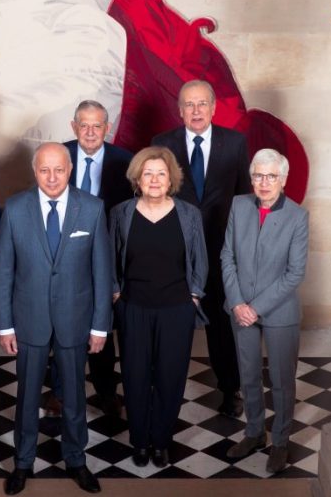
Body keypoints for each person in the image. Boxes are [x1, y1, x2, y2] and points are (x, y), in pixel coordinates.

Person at [0, 143, 112, 495]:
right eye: (44, 170)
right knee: (27, 396)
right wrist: (5, 324)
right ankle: (23, 462)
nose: (52, 177)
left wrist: (99, 325)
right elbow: (4, 271)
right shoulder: (15, 208)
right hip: (28, 319)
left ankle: (76, 459)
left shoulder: (91, 209)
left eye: (59, 169)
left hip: (76, 319)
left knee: (75, 397)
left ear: (70, 169)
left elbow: (102, 273)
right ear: (35, 171)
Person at [151, 79, 251, 418]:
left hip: (221, 251)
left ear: (213, 108)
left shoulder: (234, 143)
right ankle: (166, 392)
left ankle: (230, 389)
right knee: (172, 325)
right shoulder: (162, 144)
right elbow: (154, 196)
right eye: (189, 105)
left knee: (223, 326)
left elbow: (243, 200)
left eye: (202, 104)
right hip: (176, 253)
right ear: (180, 111)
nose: (196, 111)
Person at [110, 146, 208, 468]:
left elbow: (200, 260)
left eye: (161, 173)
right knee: (135, 377)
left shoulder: (189, 214)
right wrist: (115, 295)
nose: (154, 179)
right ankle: (140, 442)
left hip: (175, 309)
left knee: (170, 377)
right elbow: (109, 258)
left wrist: (193, 296)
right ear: (137, 178)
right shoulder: (121, 213)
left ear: (171, 179)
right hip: (134, 308)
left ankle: (162, 439)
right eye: (148, 173)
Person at [43, 100, 133, 417]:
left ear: (107, 128)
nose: (91, 132)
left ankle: (106, 392)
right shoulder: (58, 156)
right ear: (74, 127)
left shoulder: (126, 161)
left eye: (97, 126)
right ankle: (59, 392)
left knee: (102, 325)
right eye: (84, 125)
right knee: (61, 326)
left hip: (107, 255)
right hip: (64, 256)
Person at [221, 148, 308, 474]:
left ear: (283, 180)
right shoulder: (239, 206)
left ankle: (281, 440)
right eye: (258, 175)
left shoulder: (298, 216)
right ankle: (254, 432)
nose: (264, 182)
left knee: (282, 380)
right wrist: (237, 303)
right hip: (240, 307)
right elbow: (226, 257)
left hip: (278, 311)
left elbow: (294, 273)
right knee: (248, 375)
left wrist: (254, 308)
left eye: (271, 176)